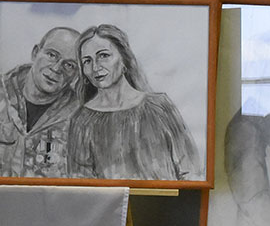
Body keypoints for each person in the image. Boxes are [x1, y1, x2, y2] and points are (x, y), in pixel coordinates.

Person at [65, 23, 201, 181]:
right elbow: (81, 183)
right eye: (87, 61)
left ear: (124, 59)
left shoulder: (159, 106)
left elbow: (192, 171)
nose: (95, 67)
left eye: (103, 56)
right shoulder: (81, 121)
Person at [0, 26, 83, 177]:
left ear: (77, 74)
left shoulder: (79, 115)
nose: (57, 68)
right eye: (52, 55)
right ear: (35, 53)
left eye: (69, 65)